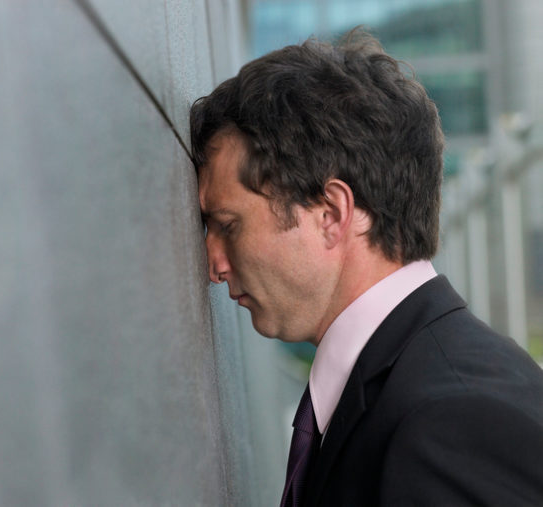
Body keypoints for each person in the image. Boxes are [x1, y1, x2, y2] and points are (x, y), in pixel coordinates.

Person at [190, 28, 543, 506]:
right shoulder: (432, 384)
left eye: (228, 225)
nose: (214, 265)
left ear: (331, 214)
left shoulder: (451, 418)